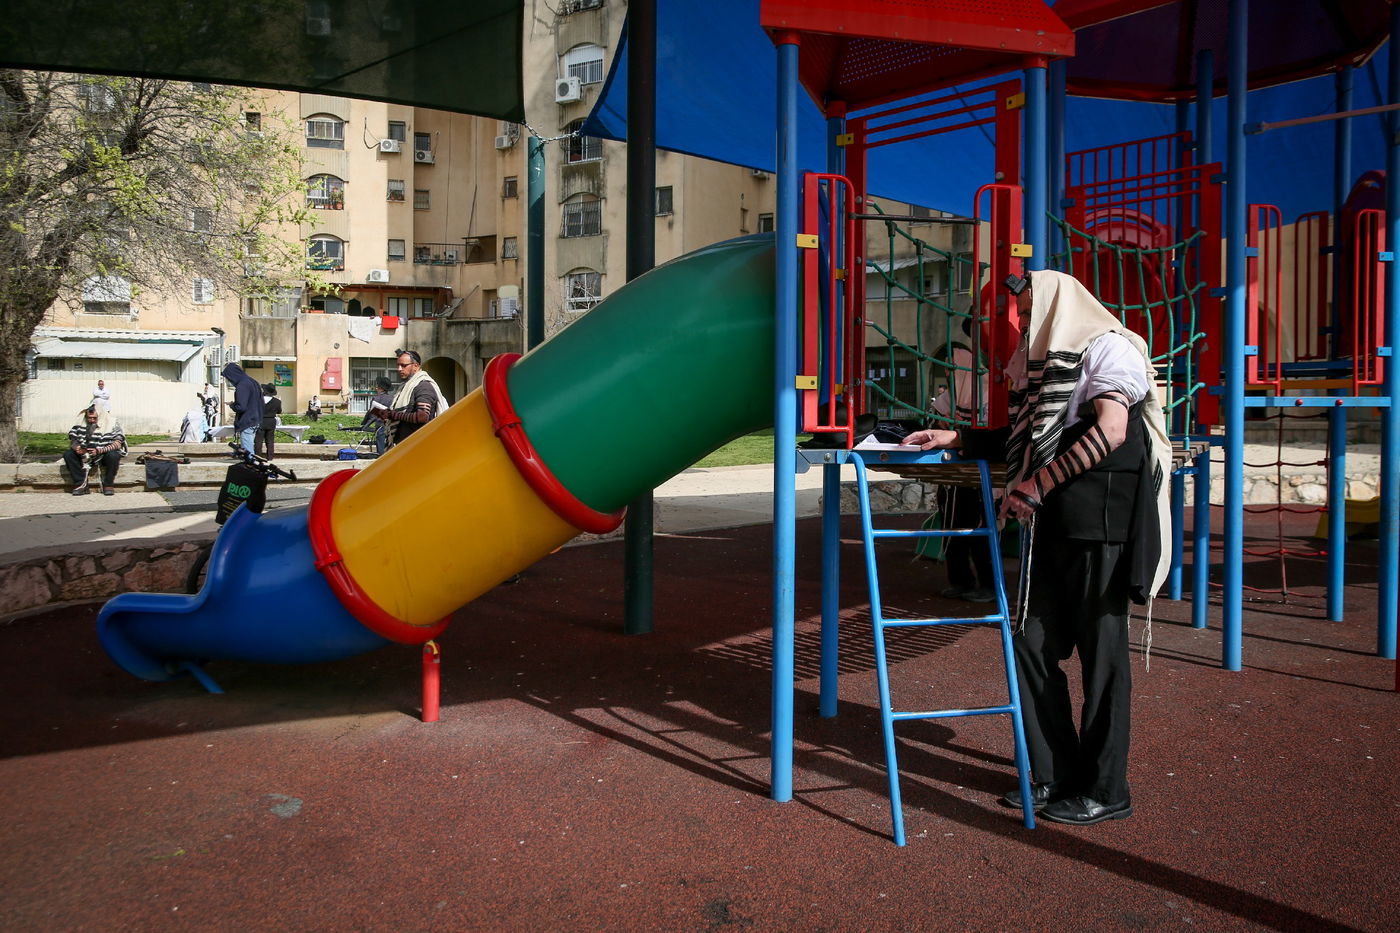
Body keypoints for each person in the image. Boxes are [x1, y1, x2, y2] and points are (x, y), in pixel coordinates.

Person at [902, 269, 1170, 827]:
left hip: (1100, 525)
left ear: (1056, 305)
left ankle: (1106, 788)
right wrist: (956, 436)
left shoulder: (1109, 348)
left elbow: (1112, 431)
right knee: (1029, 644)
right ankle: (1056, 771)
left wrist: (1036, 486)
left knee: (1102, 659)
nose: (1023, 323)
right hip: (1054, 526)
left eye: (1028, 311)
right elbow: (1027, 438)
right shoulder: (1047, 366)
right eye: (1022, 313)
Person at [374, 350, 448, 448]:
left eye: (404, 365)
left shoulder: (423, 386)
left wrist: (393, 414)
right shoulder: (405, 387)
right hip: (404, 445)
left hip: (419, 446)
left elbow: (422, 417)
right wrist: (388, 416)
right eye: (398, 365)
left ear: (416, 366)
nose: (399, 369)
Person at [63, 405, 126, 496]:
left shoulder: (112, 423)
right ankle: (81, 484)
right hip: (84, 454)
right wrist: (77, 448)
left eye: (94, 418)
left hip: (103, 453)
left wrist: (99, 450)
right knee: (68, 454)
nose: (92, 420)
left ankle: (108, 484)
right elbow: (73, 439)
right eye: (89, 418)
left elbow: (118, 443)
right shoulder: (80, 423)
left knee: (113, 455)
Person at [222, 362, 264, 454]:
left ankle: (250, 463)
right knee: (249, 447)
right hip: (255, 418)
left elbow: (241, 407)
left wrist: (233, 405)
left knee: (248, 452)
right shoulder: (253, 382)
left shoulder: (242, 385)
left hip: (247, 421)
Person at [358, 376, 394, 454]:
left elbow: (372, 415)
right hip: (391, 425)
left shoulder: (377, 399)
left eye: (377, 387)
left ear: (381, 388)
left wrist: (365, 425)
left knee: (380, 448)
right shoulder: (392, 398)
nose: (376, 388)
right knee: (389, 446)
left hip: (380, 426)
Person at [254, 383, 283, 460]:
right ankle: (270, 456)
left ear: (265, 391)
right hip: (271, 421)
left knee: (258, 440)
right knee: (270, 440)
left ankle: (258, 456)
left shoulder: (258, 400)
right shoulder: (277, 401)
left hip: (260, 420)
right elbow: (279, 411)